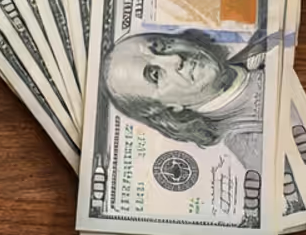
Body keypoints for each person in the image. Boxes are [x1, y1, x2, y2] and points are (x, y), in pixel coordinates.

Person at [101, 28, 268, 168]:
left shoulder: (263, 38)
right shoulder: (252, 144)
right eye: (155, 74)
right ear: (170, 108)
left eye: (159, 46)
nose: (175, 59)